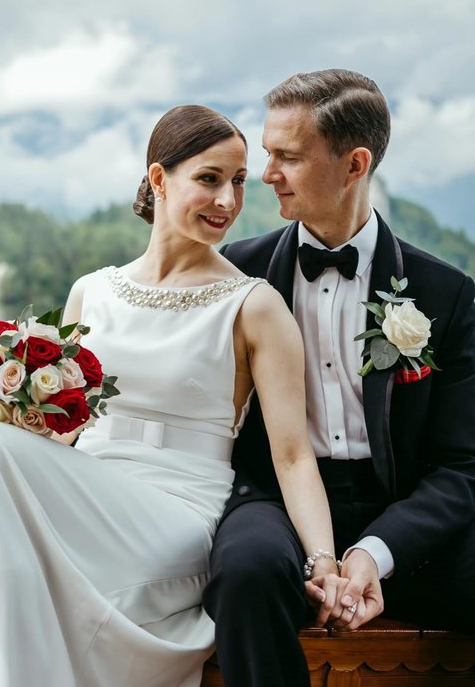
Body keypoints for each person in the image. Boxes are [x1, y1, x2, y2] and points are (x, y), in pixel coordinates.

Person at [0, 105, 339, 687]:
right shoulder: (93, 292)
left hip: (176, 514)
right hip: (89, 495)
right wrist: (12, 404)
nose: (227, 200)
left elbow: (293, 455)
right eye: (209, 178)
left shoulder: (254, 305)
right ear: (158, 178)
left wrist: (322, 561)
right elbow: (64, 435)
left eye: (238, 182)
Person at [203, 69, 475, 687]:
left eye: (288, 158)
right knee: (244, 572)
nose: (266, 174)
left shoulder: (448, 296)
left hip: (404, 511)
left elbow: (461, 467)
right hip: (272, 497)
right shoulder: (232, 279)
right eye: (267, 154)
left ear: (354, 165)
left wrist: (374, 554)